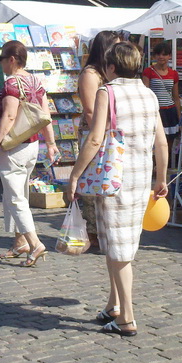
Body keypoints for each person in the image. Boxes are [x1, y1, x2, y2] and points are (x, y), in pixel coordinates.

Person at [65, 42, 169, 337]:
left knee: (120, 249)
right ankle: (114, 306)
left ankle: (127, 318)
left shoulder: (107, 92)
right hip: (139, 178)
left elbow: (95, 139)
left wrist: (74, 175)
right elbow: (160, 141)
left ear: (111, 67)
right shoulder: (148, 93)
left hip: (113, 179)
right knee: (116, 243)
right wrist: (161, 178)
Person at [0, 40, 58, 267]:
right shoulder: (36, 81)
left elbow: (8, 117)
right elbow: (45, 115)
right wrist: (51, 142)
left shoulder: (12, 85)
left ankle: (34, 242)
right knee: (16, 194)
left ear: (12, 60)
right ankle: (20, 243)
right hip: (31, 145)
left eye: (2, 59)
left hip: (14, 146)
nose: (1, 64)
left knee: (16, 198)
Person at [77, 30, 122, 248]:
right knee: (91, 183)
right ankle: (93, 234)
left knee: (107, 180)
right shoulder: (91, 74)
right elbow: (90, 110)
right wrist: (101, 132)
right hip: (94, 133)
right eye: (115, 46)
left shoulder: (110, 73)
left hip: (108, 133)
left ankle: (105, 230)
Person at [142, 41, 182, 138]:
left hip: (170, 111)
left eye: (164, 54)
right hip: (155, 111)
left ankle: (168, 154)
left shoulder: (174, 74)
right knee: (155, 139)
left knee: (170, 140)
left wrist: (179, 117)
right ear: (154, 56)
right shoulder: (148, 72)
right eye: (158, 54)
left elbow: (176, 97)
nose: (161, 57)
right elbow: (145, 95)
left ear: (169, 56)